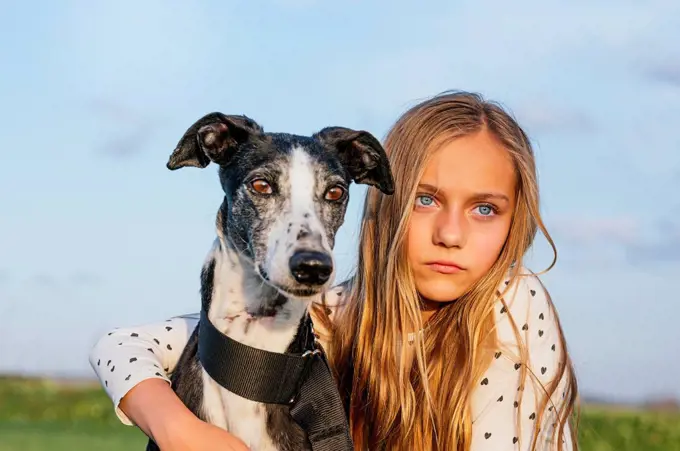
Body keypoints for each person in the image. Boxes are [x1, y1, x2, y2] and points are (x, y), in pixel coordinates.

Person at [89, 90, 578, 451]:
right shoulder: (327, 312)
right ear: (386, 203)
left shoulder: (514, 304)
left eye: (485, 209)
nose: (451, 234)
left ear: (517, 218)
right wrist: (178, 429)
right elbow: (120, 345)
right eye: (426, 200)